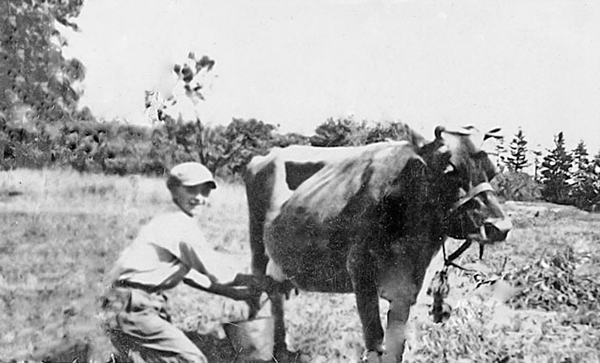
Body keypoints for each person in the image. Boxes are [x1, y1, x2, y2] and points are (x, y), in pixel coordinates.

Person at [100, 162, 266, 363]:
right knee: (191, 359)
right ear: (173, 190)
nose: (198, 197)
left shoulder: (167, 220)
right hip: (133, 306)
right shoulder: (180, 225)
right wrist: (263, 282)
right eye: (190, 190)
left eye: (204, 191)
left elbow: (191, 277)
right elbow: (220, 274)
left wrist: (237, 294)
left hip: (127, 304)